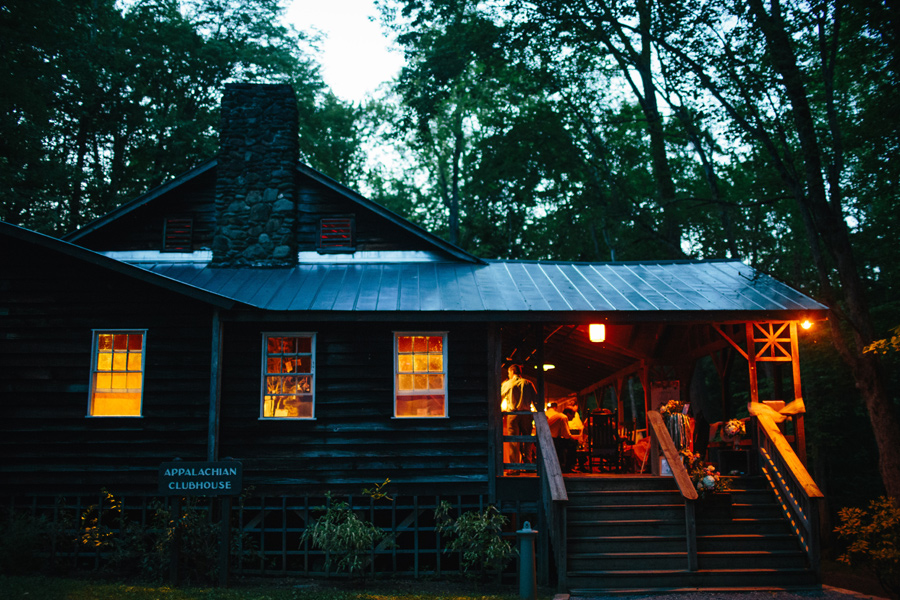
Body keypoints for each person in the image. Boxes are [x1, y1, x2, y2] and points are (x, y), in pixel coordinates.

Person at [501, 364, 537, 466]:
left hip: (512, 414)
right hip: (526, 414)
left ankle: (515, 467)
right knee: (527, 440)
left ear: (512, 371)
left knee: (513, 441)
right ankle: (528, 463)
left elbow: (499, 398)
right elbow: (536, 400)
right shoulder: (528, 383)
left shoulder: (507, 384)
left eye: (508, 373)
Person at [546, 403, 579, 473]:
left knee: (568, 443)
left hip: (548, 438)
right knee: (572, 444)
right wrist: (575, 439)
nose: (573, 417)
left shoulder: (559, 416)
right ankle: (568, 467)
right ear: (568, 413)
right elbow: (566, 435)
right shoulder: (564, 417)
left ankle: (565, 465)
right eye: (573, 414)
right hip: (551, 440)